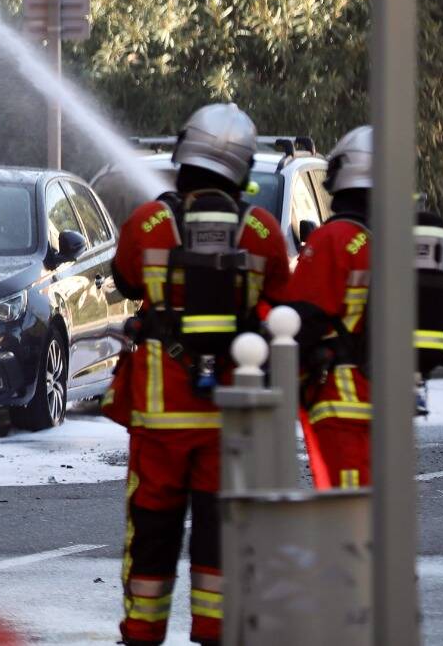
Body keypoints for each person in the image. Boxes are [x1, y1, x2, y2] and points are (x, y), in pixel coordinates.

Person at [108, 103, 289, 646]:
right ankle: (214, 628)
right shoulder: (261, 229)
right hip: (231, 417)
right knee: (220, 531)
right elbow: (285, 305)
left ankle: (142, 631)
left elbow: (124, 280)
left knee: (153, 530)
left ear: (185, 152)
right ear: (243, 165)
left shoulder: (149, 222)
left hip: (160, 416)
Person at [283, 126, 443, 489]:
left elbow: (299, 321)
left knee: (348, 514)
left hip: (343, 404)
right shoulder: (399, 242)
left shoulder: (334, 239)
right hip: (392, 400)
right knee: (381, 512)